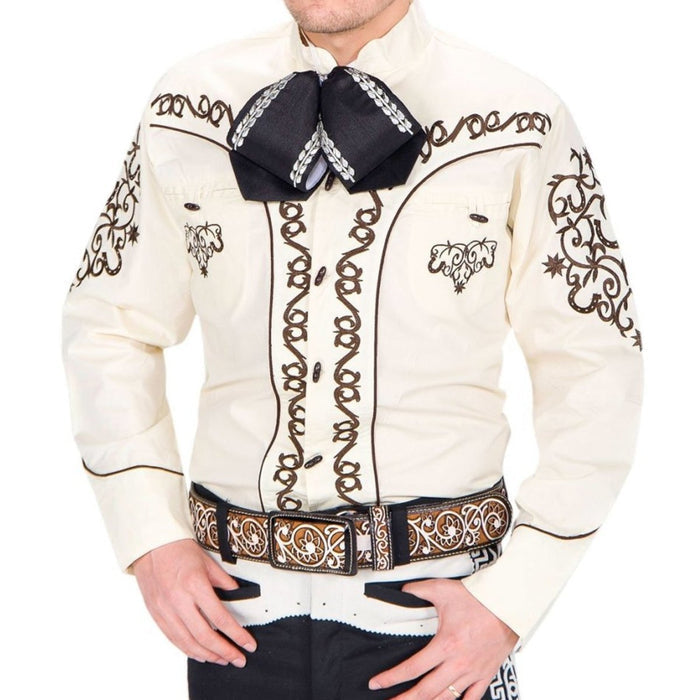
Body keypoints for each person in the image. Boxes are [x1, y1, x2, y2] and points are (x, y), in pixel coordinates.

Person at [60, 0, 644, 698]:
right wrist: (150, 534)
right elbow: (109, 324)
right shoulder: (186, 107)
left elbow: (596, 365)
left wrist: (512, 601)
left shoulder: (519, 117)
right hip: (232, 620)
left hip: (436, 627)